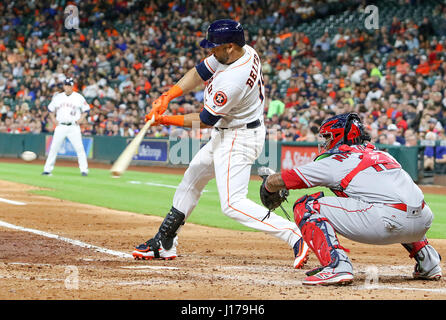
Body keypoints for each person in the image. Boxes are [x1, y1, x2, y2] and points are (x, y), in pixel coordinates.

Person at [132, 19, 309, 269]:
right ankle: (164, 242)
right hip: (230, 132)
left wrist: (163, 119)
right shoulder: (242, 51)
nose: (210, 50)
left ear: (229, 47)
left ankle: (295, 234)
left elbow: (205, 120)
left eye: (214, 46)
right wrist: (167, 96)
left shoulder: (233, 79)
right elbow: (200, 71)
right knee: (191, 179)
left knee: (232, 204)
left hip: (239, 137)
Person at [260, 113, 442, 285]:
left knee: (306, 205)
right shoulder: (383, 154)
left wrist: (269, 183)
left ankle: (336, 266)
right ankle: (429, 262)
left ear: (339, 137)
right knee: (399, 204)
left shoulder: (337, 160)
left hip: (386, 222)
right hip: (423, 221)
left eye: (327, 137)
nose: (325, 142)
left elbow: (291, 178)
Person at [42, 78, 90, 176]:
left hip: (73, 126)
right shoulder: (58, 97)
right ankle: (47, 169)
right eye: (66, 85)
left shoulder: (78, 97)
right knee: (53, 148)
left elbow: (87, 110)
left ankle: (84, 170)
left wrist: (81, 118)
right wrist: (53, 119)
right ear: (64, 86)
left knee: (79, 148)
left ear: (72, 86)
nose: (67, 87)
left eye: (69, 85)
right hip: (61, 126)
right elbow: (50, 109)